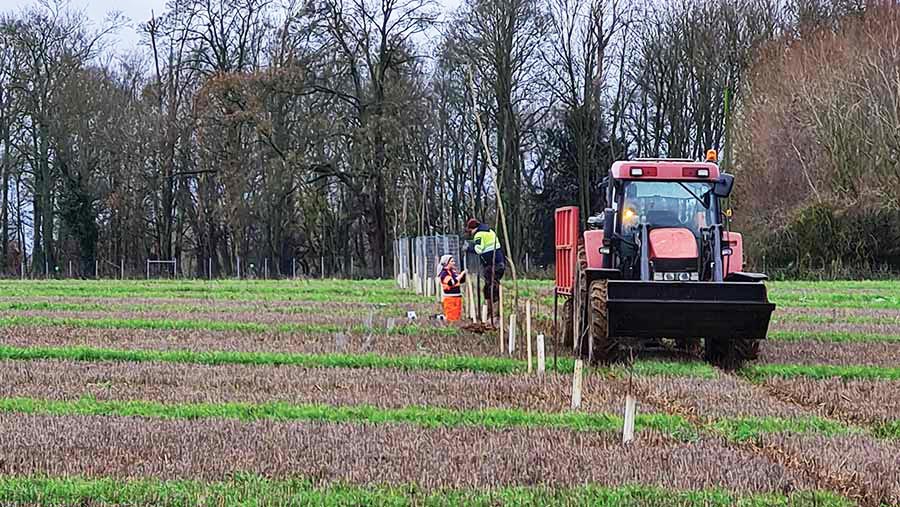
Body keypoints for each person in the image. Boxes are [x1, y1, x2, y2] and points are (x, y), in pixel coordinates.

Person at [466, 218, 505, 317]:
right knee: (493, 287)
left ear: (473, 228)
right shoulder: (490, 231)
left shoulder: (479, 235)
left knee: (490, 289)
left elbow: (479, 249)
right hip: (499, 263)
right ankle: (493, 312)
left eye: (470, 231)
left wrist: (469, 248)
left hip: (491, 265)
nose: (471, 233)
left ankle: (492, 314)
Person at [438, 254, 466, 321]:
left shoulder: (452, 271)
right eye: (452, 261)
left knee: (457, 316)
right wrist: (461, 275)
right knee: (451, 317)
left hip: (457, 297)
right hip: (450, 299)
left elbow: (460, 281)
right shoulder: (443, 274)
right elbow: (451, 283)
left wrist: (464, 276)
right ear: (446, 263)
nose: (454, 263)